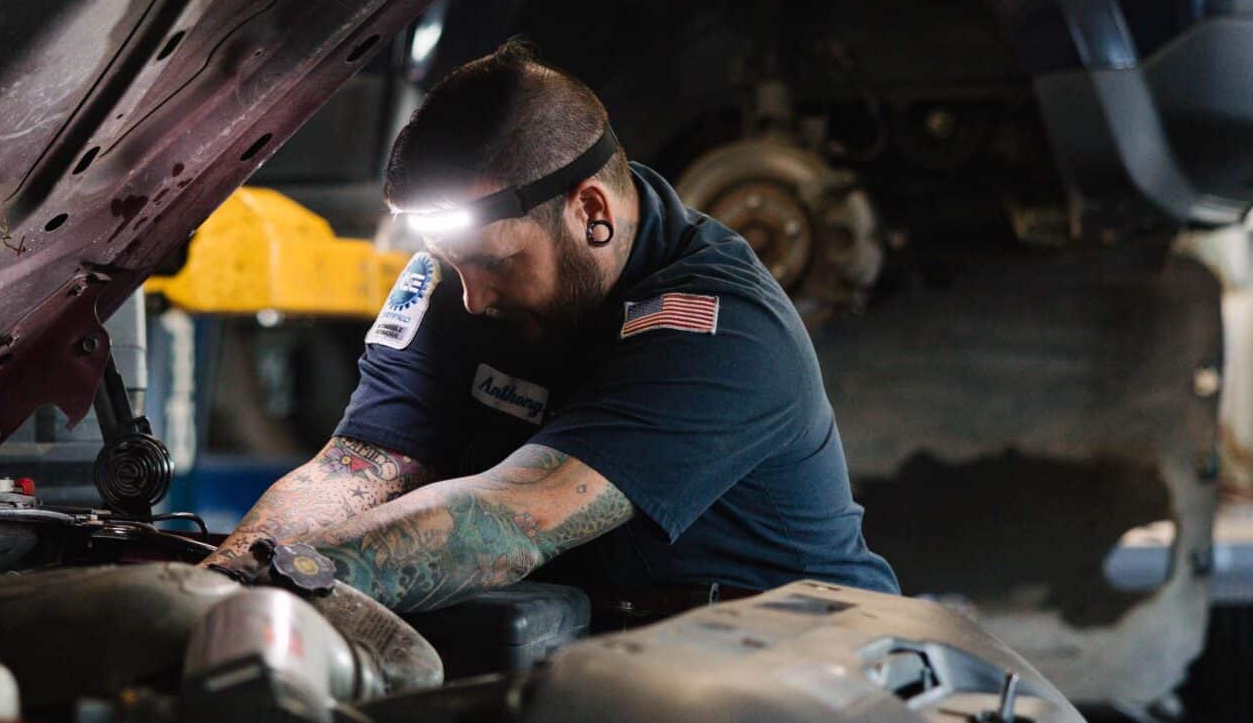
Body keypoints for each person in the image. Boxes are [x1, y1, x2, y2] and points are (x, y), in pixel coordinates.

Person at [206, 40, 896, 618]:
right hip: (619, 664)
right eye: (453, 265)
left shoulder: (723, 332)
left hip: (812, 676)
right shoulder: (453, 282)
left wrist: (285, 586)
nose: (471, 297)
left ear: (591, 211)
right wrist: (223, 582)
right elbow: (355, 465)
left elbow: (512, 517)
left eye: (493, 263)